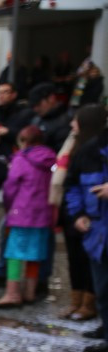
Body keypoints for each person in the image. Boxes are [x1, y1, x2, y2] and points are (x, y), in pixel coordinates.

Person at [54, 105, 107, 321]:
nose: (71, 125)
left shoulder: (96, 149)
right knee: (80, 263)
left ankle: (90, 306)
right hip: (83, 217)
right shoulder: (81, 148)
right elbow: (72, 182)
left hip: (100, 219)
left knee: (98, 274)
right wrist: (76, 214)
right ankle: (80, 304)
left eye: (75, 120)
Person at [0, 126, 56, 308]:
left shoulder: (21, 159)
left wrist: (8, 206)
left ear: (23, 141)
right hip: (43, 213)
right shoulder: (50, 158)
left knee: (14, 253)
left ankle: (12, 293)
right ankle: (30, 292)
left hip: (21, 212)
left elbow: (10, 186)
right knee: (34, 254)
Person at [65, 122, 108, 352]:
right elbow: (73, 184)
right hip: (97, 231)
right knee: (102, 290)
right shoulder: (91, 148)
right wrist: (78, 213)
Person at [28, 82, 71, 153]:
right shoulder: (36, 119)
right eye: (33, 106)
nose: (35, 109)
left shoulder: (65, 122)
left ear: (51, 98)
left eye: (38, 104)